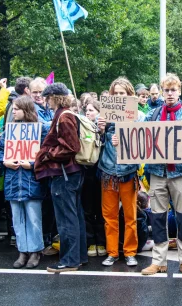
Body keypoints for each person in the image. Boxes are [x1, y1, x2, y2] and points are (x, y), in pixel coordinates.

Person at [141, 73, 182, 277]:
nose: (170, 94)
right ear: (162, 92)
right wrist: (120, 140)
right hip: (157, 172)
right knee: (157, 217)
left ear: (180, 91)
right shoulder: (152, 115)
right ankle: (159, 261)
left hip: (181, 174)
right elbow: (137, 137)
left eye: (174, 90)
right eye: (167, 90)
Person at [34, 83, 86, 272]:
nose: (46, 101)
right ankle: (78, 257)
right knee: (75, 216)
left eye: (48, 98)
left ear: (54, 97)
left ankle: (70, 260)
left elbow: (71, 147)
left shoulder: (63, 117)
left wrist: (48, 155)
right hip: (72, 173)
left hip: (64, 174)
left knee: (66, 218)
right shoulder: (67, 115)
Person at [0, 96, 48, 269]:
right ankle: (23, 251)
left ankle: (35, 251)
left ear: (25, 110)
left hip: (31, 180)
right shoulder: (8, 131)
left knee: (33, 218)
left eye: (17, 108)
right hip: (13, 180)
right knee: (17, 219)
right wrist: (4, 161)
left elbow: (44, 154)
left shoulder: (39, 130)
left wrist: (32, 164)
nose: (14, 111)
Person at [98, 77, 141, 267]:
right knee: (110, 216)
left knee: (130, 216)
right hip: (108, 171)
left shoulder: (138, 116)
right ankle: (112, 252)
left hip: (128, 172)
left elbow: (143, 144)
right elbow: (97, 144)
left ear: (129, 95)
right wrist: (100, 131)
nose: (119, 96)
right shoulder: (104, 116)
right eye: (116, 94)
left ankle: (130, 252)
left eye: (122, 93)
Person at [81, 99, 106, 257]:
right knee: (87, 209)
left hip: (102, 172)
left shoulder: (105, 129)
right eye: (87, 110)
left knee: (101, 209)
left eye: (91, 110)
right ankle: (90, 241)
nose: (88, 113)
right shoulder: (82, 128)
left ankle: (101, 241)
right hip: (86, 172)